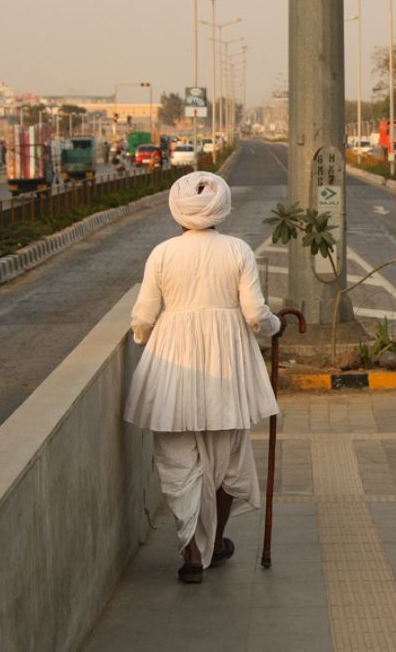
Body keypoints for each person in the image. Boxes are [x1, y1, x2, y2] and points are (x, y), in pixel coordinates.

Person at [124, 171, 280, 584]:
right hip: (227, 370)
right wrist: (275, 327)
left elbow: (142, 318)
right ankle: (220, 537)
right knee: (229, 462)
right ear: (220, 209)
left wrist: (147, 340)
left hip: (172, 366)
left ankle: (193, 551)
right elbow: (255, 315)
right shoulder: (238, 250)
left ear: (178, 210)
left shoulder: (161, 254)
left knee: (178, 463)